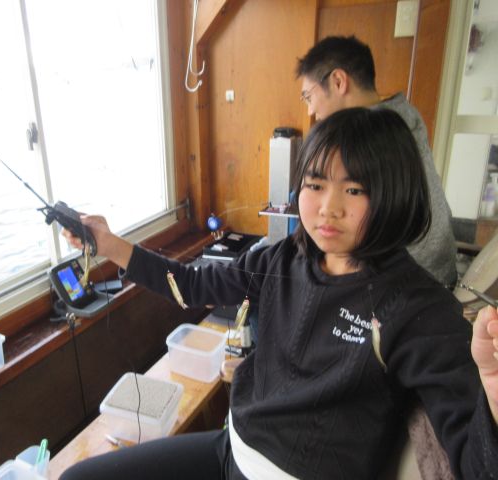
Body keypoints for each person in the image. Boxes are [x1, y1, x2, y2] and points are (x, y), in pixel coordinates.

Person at [59, 108, 498, 480]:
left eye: (354, 189)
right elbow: (191, 285)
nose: (328, 208)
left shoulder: (419, 309)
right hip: (230, 451)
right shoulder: (283, 258)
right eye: (315, 185)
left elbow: (477, 462)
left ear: (394, 195)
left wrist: (493, 396)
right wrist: (110, 245)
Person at [296, 35, 457, 287]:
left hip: (411, 279)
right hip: (440, 266)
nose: (310, 111)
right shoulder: (402, 114)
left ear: (338, 81)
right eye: (316, 185)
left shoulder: (380, 139)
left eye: (308, 96)